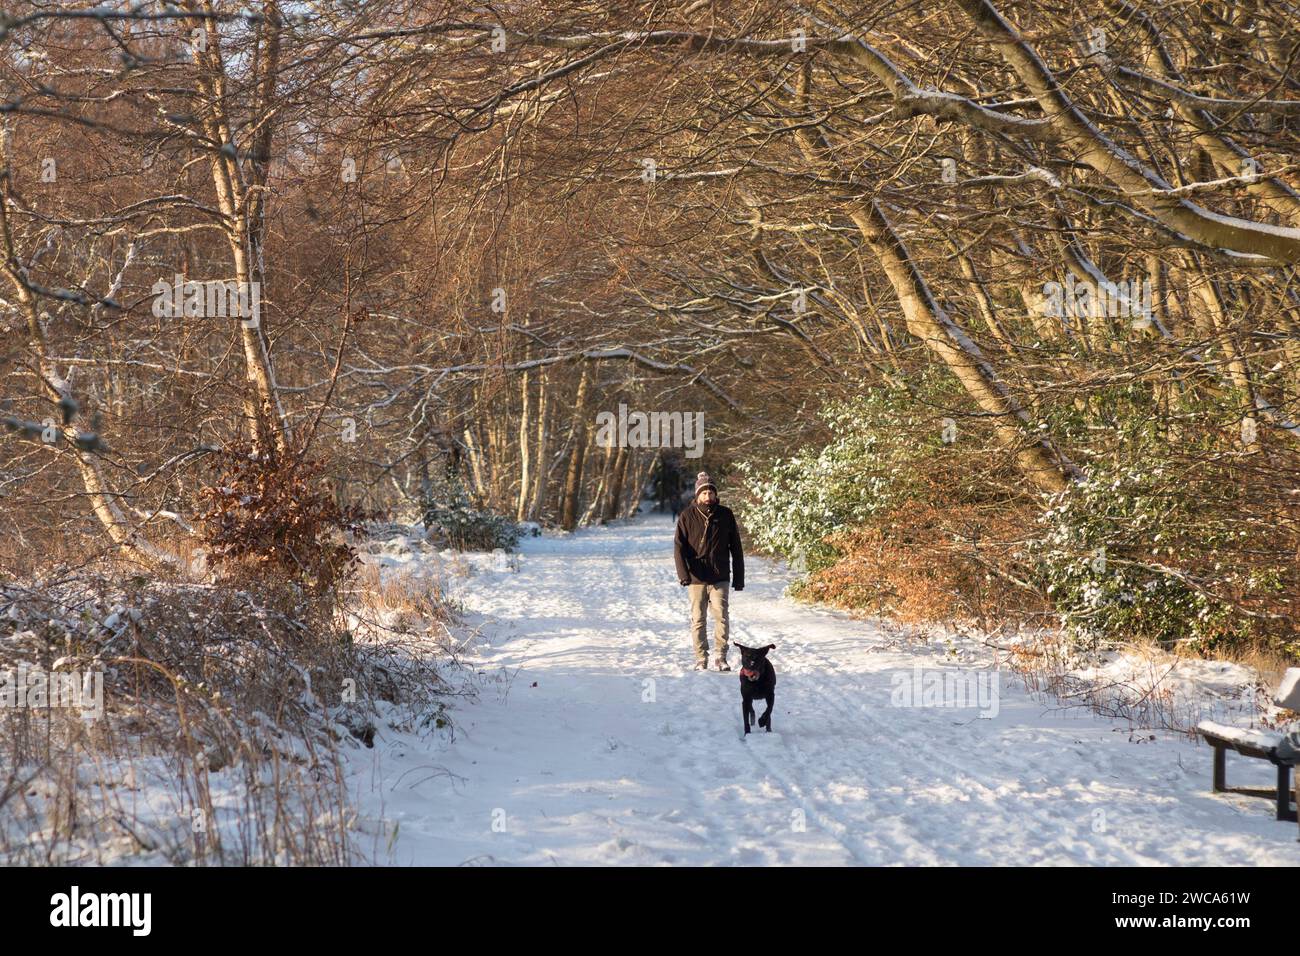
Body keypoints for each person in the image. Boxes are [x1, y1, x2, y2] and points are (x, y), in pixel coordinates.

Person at [673, 471, 744, 671]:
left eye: (711, 492)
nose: (708, 496)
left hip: (720, 575)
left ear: (715, 494)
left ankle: (721, 657)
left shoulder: (726, 514)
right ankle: (700, 658)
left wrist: (739, 578)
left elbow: (736, 548)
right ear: (697, 495)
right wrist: (683, 574)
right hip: (696, 577)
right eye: (704, 493)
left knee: (721, 616)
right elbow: (679, 547)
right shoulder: (687, 516)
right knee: (698, 619)